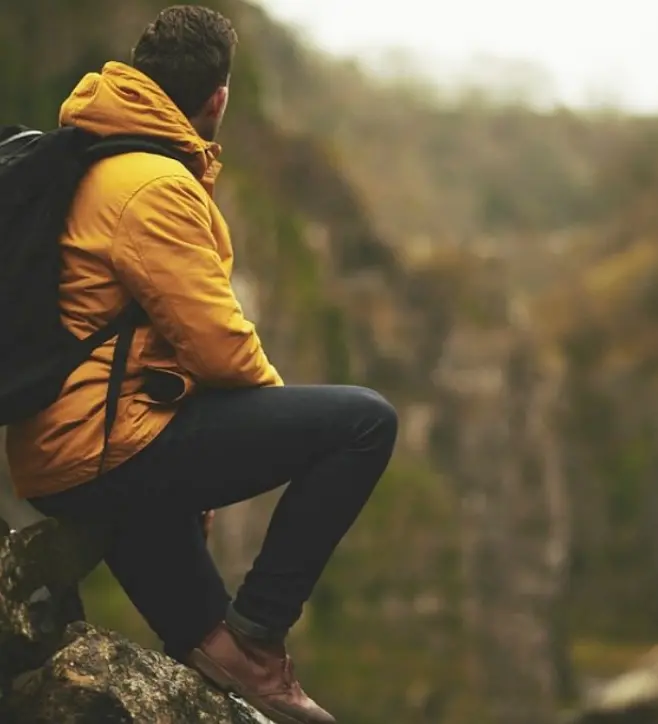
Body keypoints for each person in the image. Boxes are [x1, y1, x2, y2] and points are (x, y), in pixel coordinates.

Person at [5, 6, 398, 724]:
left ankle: (242, 652)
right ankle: (264, 628)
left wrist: (202, 453)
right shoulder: (151, 185)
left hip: (69, 455)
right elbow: (218, 345)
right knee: (363, 423)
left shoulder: (91, 154)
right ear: (217, 97)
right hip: (104, 450)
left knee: (210, 652)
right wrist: (262, 432)